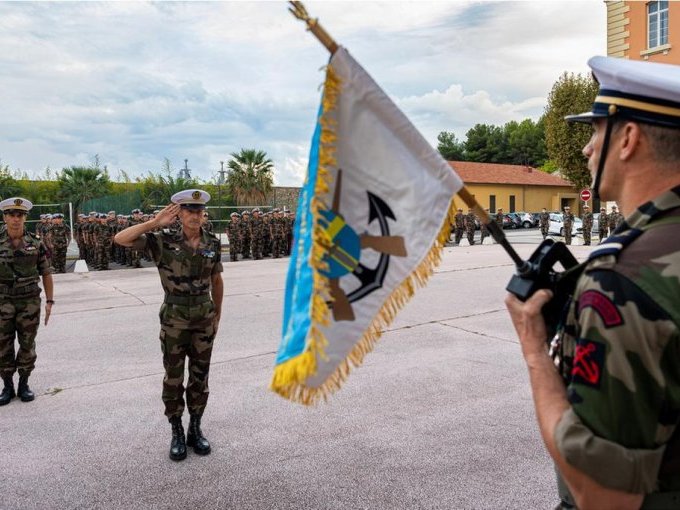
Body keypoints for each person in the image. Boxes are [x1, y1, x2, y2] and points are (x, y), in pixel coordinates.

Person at [505, 56, 680, 509]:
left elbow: (602, 495)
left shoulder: (622, 279)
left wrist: (532, 346)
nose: (585, 148)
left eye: (595, 131)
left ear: (628, 138)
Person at [114, 189, 223, 462]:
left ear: (204, 214)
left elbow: (217, 280)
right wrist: (153, 223)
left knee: (200, 377)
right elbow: (120, 239)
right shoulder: (162, 241)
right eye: (189, 210)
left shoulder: (213, 241)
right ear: (179, 213)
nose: (195, 215)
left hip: (204, 319)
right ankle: (175, 430)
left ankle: (194, 428)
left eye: (199, 211)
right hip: (174, 318)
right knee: (174, 378)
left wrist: (217, 315)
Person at [0, 197, 54, 406]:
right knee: (3, 345)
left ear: (25, 218)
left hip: (29, 302)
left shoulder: (35, 242)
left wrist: (50, 301)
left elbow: (46, 273)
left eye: (20, 215)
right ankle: (7, 386)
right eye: (11, 215)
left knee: (27, 344)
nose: (16, 219)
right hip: (2, 301)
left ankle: (24, 384)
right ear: (5, 217)